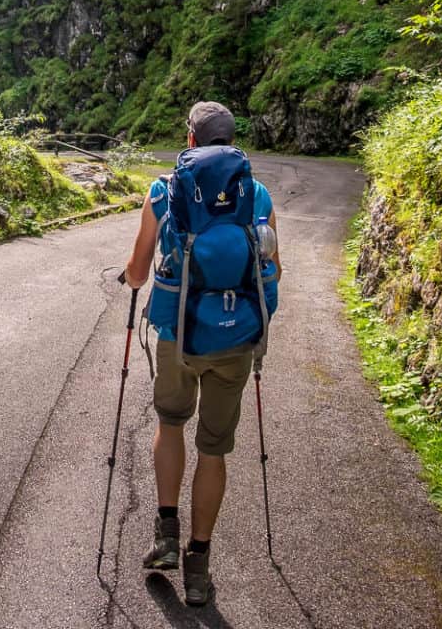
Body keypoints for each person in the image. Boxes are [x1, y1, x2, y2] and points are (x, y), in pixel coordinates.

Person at [123, 101, 281, 605]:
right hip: (235, 339)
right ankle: (198, 566)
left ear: (190, 141)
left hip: (177, 336)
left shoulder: (162, 192)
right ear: (233, 142)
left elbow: (138, 271)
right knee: (214, 450)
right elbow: (271, 271)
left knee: (171, 425)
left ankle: (165, 536)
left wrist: (129, 278)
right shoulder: (257, 196)